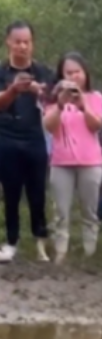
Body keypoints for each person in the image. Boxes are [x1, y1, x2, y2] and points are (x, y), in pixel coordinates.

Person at [0, 21, 55, 263]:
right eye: (17, 41)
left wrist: (39, 92)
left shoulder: (44, 72)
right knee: (11, 192)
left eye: (26, 42)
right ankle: (11, 241)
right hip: (6, 138)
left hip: (35, 138)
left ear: (32, 44)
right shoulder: (1, 72)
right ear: (8, 43)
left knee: (37, 193)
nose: (22, 46)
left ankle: (40, 242)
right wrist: (13, 90)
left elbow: (55, 102)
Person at [44, 53, 102, 264]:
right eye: (68, 72)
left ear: (85, 73)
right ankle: (61, 252)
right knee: (60, 211)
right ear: (61, 75)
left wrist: (82, 105)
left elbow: (96, 126)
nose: (73, 76)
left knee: (90, 210)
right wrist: (61, 104)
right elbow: (50, 127)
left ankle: (90, 253)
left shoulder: (95, 97)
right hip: (61, 163)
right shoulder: (53, 99)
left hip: (90, 162)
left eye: (77, 71)